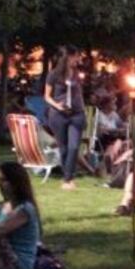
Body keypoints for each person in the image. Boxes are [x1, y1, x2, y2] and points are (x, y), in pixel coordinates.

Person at [44, 45, 86, 190]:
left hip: (76, 114)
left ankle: (69, 179)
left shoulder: (76, 74)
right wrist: (57, 105)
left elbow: (78, 92)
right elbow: (47, 96)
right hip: (58, 114)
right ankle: (67, 178)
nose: (78, 59)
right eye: (76, 56)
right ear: (68, 57)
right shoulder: (53, 74)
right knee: (64, 149)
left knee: (74, 147)